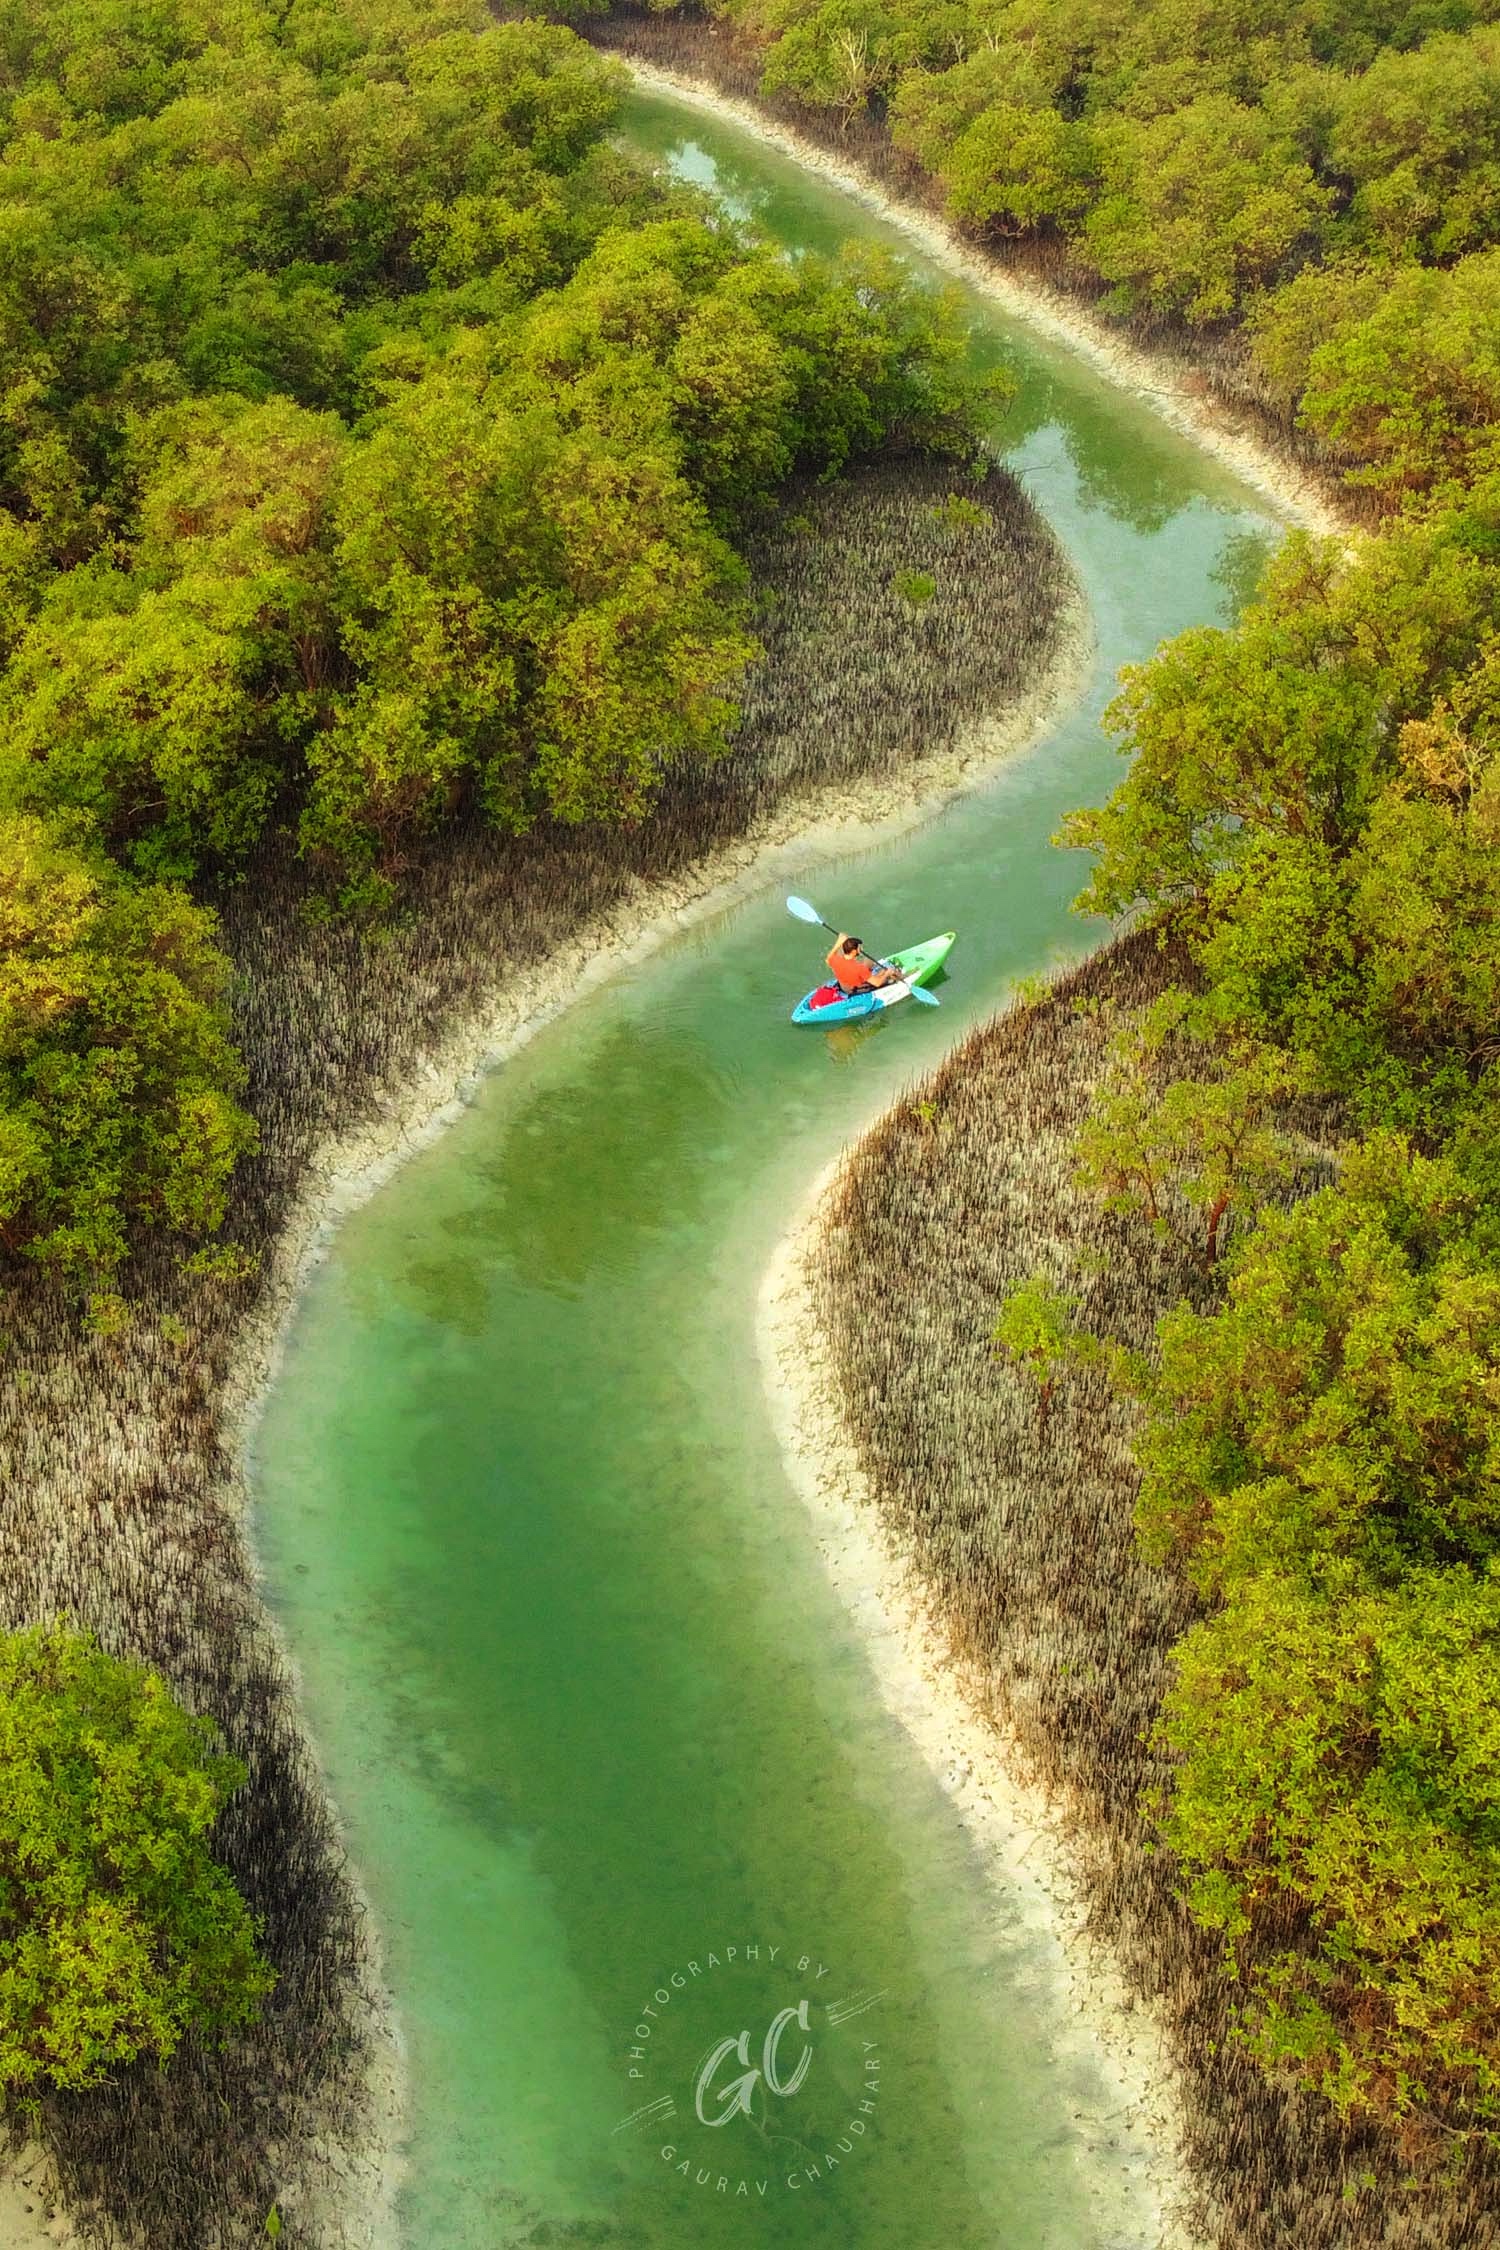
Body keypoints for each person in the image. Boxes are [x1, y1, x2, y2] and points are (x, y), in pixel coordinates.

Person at [826, 933, 900, 993]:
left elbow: (828, 959)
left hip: (843, 984)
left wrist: (839, 941)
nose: (861, 949)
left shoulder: (835, 959)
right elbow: (877, 983)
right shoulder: (858, 968)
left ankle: (873, 974)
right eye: (859, 948)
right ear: (854, 951)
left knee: (868, 960)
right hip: (853, 989)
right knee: (887, 974)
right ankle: (896, 976)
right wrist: (887, 973)